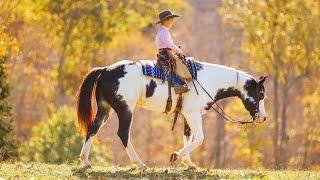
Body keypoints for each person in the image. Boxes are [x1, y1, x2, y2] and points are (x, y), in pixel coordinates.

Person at [155, 10, 190, 94]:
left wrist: (175, 49)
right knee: (175, 65)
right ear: (165, 21)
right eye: (171, 19)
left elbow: (169, 44)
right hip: (165, 53)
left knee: (178, 63)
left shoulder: (164, 31)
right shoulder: (163, 32)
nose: (172, 21)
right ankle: (178, 84)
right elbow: (169, 44)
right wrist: (179, 51)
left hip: (166, 52)